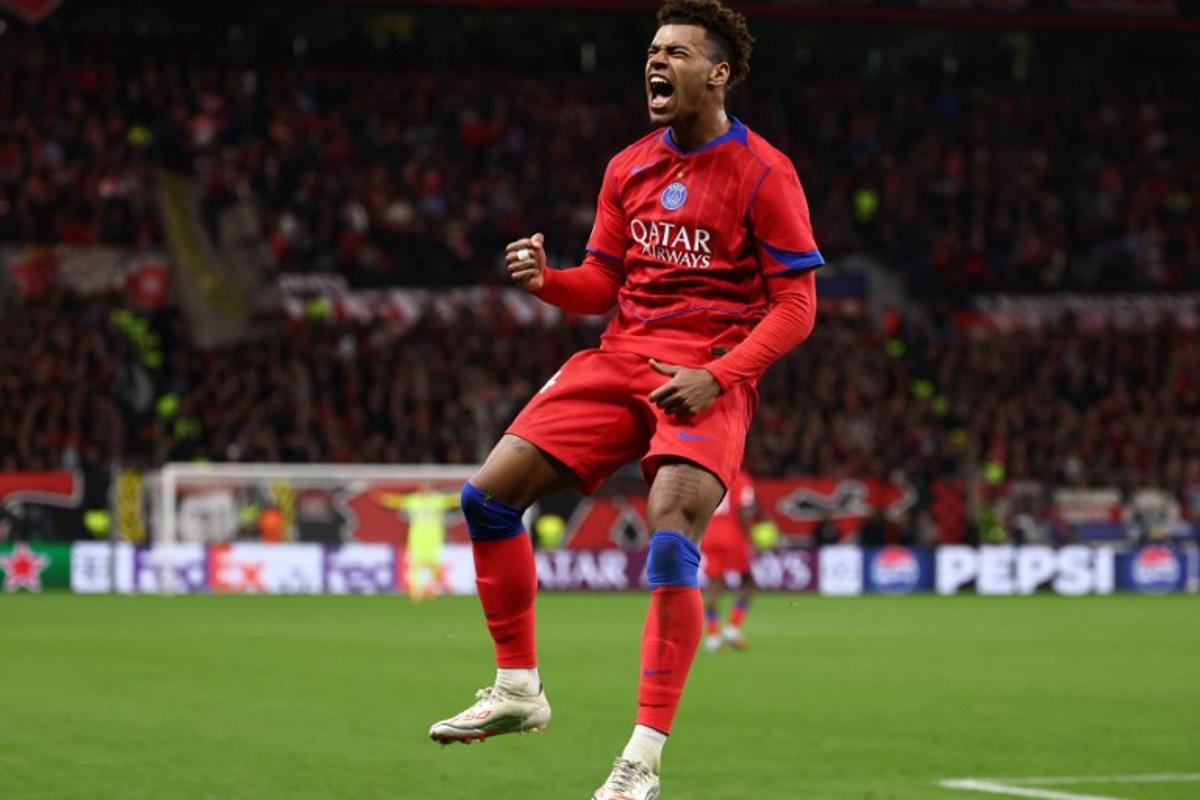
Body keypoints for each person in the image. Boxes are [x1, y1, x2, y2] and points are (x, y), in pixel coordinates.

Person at [428, 1, 822, 797]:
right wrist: (549, 282)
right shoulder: (627, 166)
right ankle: (517, 688)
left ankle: (640, 759)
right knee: (487, 499)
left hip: (706, 369)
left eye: (676, 51)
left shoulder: (765, 172)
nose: (656, 61)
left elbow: (797, 306)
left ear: (718, 74)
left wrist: (720, 375)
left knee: (670, 531)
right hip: (619, 357)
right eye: (652, 50)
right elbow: (603, 282)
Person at [701, 468, 762, 652]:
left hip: (710, 535)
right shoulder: (741, 478)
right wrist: (750, 539)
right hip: (732, 536)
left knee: (714, 587)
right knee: (748, 582)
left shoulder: (712, 475)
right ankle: (732, 628)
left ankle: (712, 638)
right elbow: (743, 510)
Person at [376, 483, 459, 601]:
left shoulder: (438, 499)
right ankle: (416, 591)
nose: (426, 490)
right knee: (416, 563)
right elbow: (396, 501)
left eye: (428, 488)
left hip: (434, 536)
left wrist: (472, 493)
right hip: (417, 536)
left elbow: (454, 500)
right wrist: (381, 497)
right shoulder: (413, 500)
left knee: (433, 563)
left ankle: (431, 589)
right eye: (424, 488)